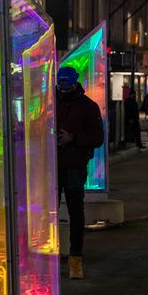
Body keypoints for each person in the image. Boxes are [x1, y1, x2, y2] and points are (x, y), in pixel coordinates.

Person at [56, 66, 104, 279]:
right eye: (60, 82)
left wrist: (73, 138)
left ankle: (75, 258)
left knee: (76, 211)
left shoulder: (88, 107)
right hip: (53, 166)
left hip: (74, 165)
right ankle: (49, 257)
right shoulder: (51, 102)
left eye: (66, 82)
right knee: (49, 212)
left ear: (74, 82)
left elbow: (97, 138)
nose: (63, 86)